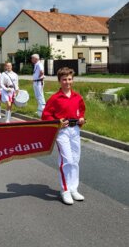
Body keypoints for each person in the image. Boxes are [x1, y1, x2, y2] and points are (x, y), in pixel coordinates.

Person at [42, 67, 86, 205]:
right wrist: (57, 122)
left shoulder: (77, 97)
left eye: (69, 79)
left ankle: (74, 188)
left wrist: (81, 119)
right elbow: (45, 115)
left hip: (75, 131)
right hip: (62, 132)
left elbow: (81, 111)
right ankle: (65, 190)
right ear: (59, 81)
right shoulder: (55, 98)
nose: (67, 82)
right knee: (66, 160)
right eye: (64, 79)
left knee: (75, 160)